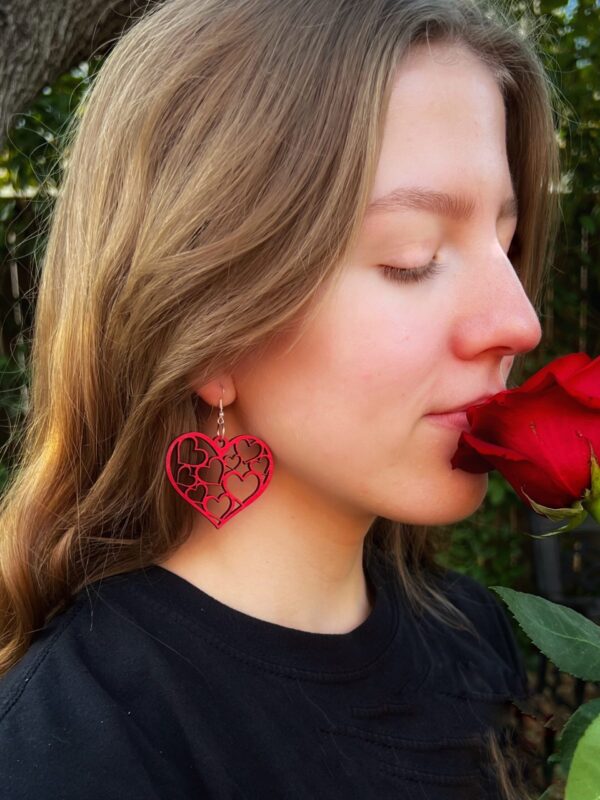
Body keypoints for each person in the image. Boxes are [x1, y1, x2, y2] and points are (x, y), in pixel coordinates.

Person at [0, 0, 559, 797]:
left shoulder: (476, 641)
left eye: (505, 246)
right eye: (413, 258)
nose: (520, 321)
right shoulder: (67, 751)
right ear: (213, 332)